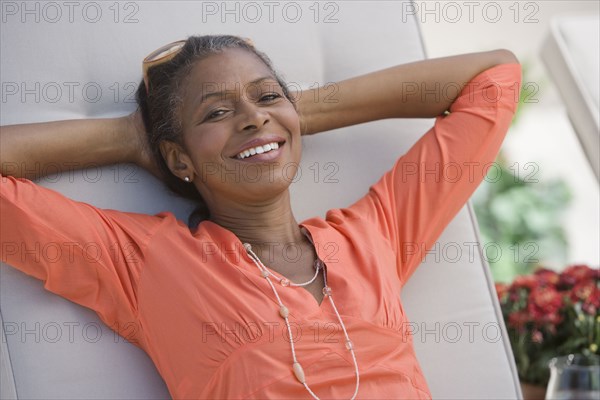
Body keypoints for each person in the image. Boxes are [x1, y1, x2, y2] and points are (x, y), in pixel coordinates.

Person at [0, 35, 521, 399]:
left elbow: (495, 78)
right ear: (180, 159)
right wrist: (135, 140)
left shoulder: (373, 237)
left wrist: (285, 114)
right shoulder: (147, 263)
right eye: (216, 113)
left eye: (267, 96)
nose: (251, 117)